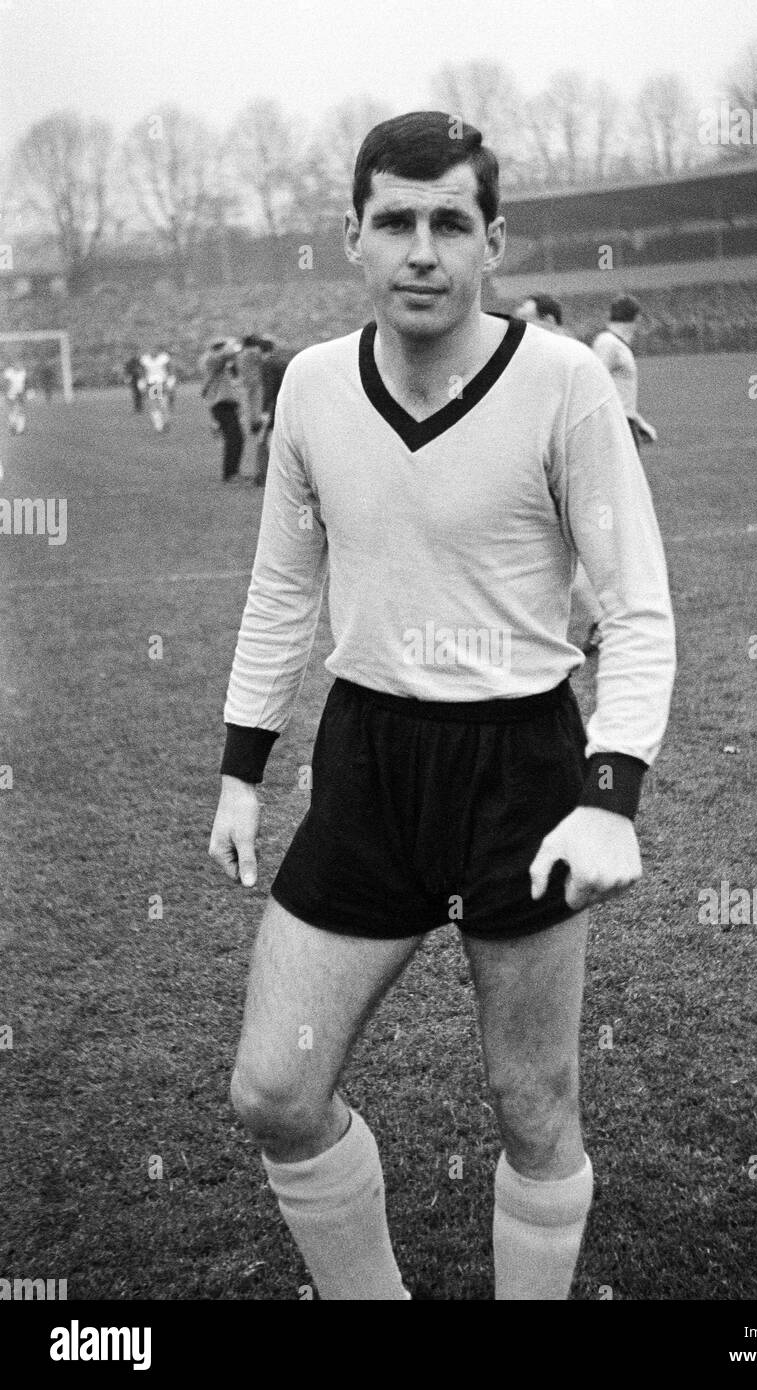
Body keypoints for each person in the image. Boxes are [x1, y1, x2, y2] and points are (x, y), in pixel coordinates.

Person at [209, 111, 676, 1301]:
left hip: (519, 767)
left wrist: (610, 792)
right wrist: (240, 765)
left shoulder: (564, 382)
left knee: (533, 1104)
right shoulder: (312, 385)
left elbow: (636, 610)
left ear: (492, 244)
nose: (421, 249)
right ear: (353, 241)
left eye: (449, 223)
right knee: (274, 1088)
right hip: (364, 761)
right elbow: (280, 585)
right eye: (395, 222)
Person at [514, 292, 601, 655]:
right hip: (544, 467)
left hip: (573, 468)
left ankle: (606, 622)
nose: (520, 326)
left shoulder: (569, 358)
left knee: (570, 547)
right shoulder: (533, 355)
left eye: (528, 319)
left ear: (549, 319)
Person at [591, 296, 657, 453]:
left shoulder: (616, 343)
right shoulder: (608, 343)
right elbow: (593, 384)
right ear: (636, 318)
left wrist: (638, 422)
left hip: (624, 422)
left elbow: (618, 392)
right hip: (614, 425)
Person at [200, 338, 244, 483]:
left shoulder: (221, 363)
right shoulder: (213, 360)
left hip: (227, 404)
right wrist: (233, 344)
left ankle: (233, 472)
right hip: (221, 405)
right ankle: (230, 474)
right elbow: (227, 354)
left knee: (236, 438)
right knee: (234, 438)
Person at [253, 338, 293, 488]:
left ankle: (264, 475)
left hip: (273, 406)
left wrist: (264, 411)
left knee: (264, 440)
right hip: (286, 404)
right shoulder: (283, 362)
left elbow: (269, 388)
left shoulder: (267, 364)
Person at [140, 346, 177, 432]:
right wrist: (142, 384)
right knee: (154, 405)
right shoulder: (145, 360)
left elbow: (170, 371)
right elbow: (142, 373)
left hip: (162, 383)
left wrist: (170, 383)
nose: (153, 351)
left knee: (164, 404)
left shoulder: (164, 358)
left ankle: (165, 422)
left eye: (155, 349)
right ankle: (159, 424)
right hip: (153, 385)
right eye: (151, 349)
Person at [3, 363, 28, 434]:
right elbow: (6, 384)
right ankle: (12, 427)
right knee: (14, 410)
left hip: (20, 393)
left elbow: (25, 383)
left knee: (20, 410)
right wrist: (7, 393)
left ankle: (20, 429)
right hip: (11, 394)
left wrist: (24, 392)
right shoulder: (9, 372)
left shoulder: (23, 372)